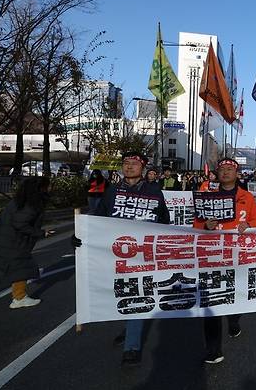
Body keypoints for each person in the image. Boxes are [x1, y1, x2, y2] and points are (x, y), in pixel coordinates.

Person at [73, 151, 170, 366]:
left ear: (143, 167)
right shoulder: (113, 191)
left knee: (137, 294)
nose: (129, 166)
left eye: (134, 163)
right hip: (116, 253)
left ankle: (132, 347)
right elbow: (99, 216)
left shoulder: (154, 192)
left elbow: (164, 221)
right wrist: (81, 233)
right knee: (122, 293)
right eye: (125, 162)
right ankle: (130, 329)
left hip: (142, 255)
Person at [193, 158, 256, 365]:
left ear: (237, 173)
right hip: (214, 255)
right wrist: (206, 225)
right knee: (211, 301)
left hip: (239, 255)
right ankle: (213, 350)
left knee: (236, 295)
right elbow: (196, 224)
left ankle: (234, 319)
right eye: (221, 169)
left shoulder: (247, 197)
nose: (225, 172)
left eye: (229, 169)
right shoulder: (208, 197)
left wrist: (248, 224)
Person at [0, 177, 52, 309]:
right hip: (13, 242)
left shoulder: (22, 200)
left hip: (4, 239)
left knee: (5, 268)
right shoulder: (31, 204)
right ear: (40, 188)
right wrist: (41, 233)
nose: (50, 188)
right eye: (48, 186)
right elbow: (20, 223)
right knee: (23, 268)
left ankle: (19, 296)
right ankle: (19, 298)